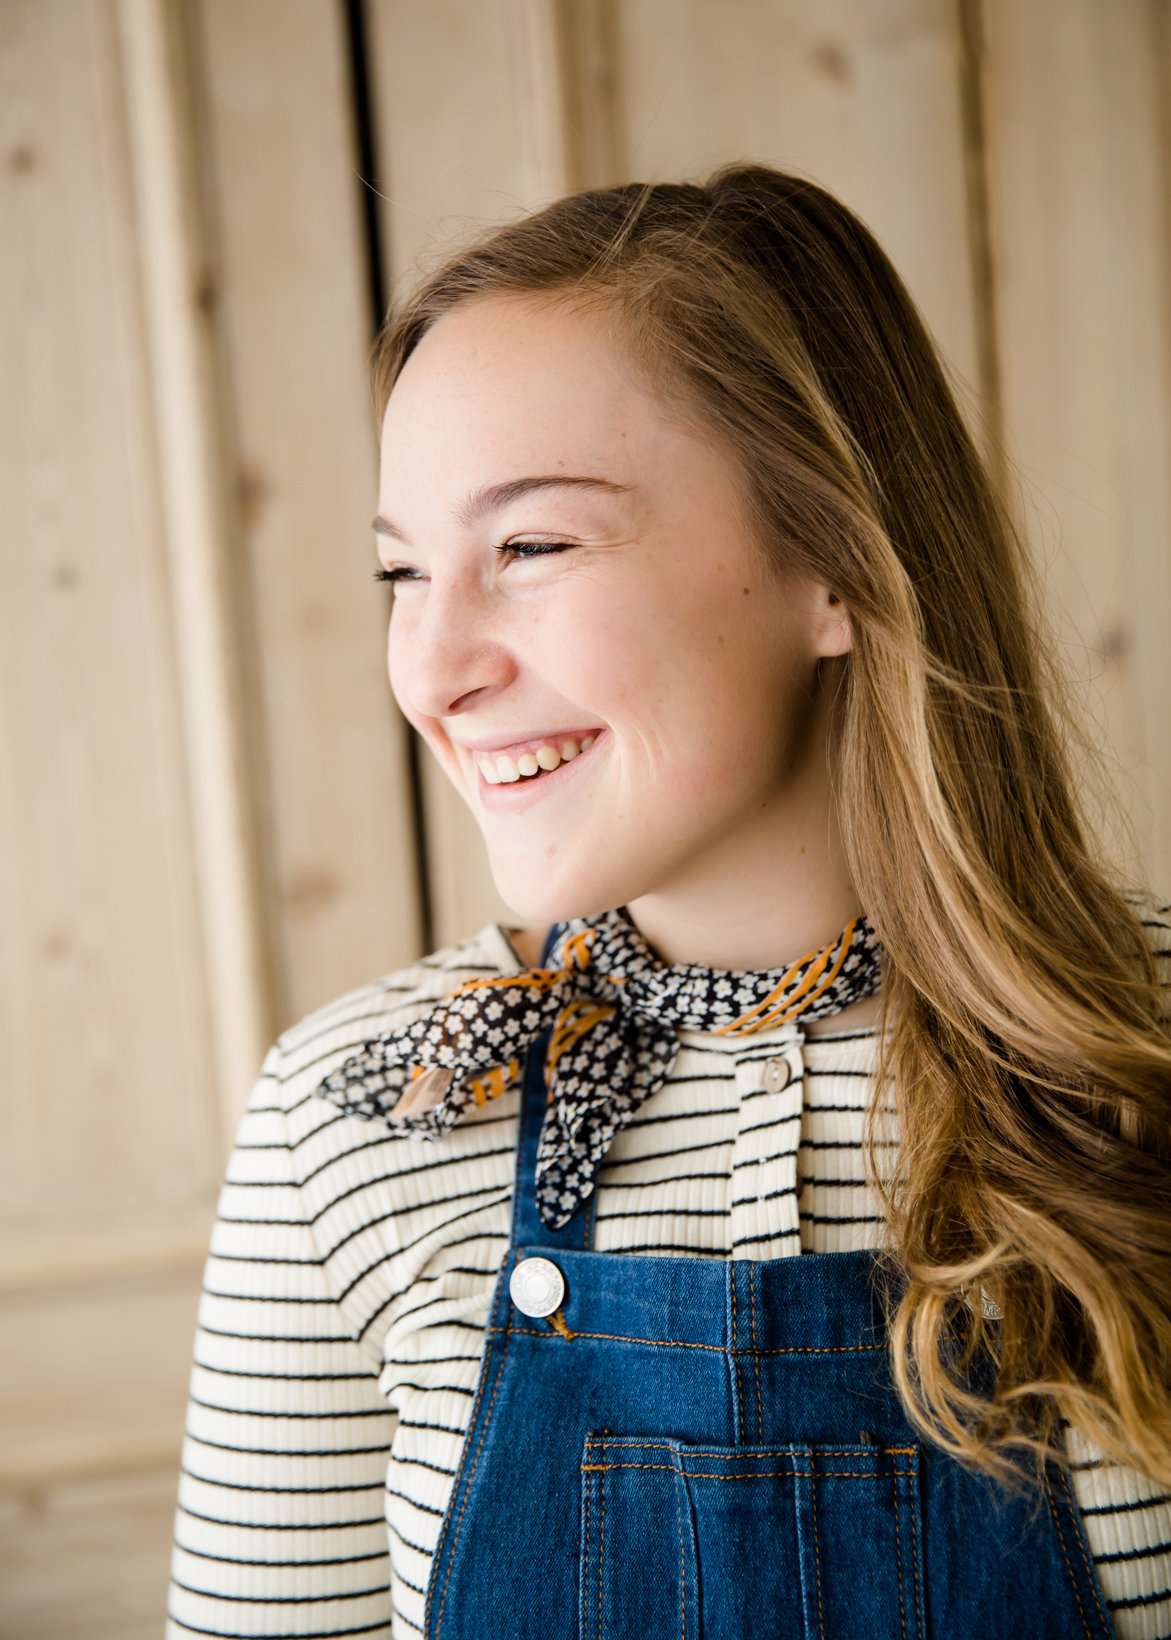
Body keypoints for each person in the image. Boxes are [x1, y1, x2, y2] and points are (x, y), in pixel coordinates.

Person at [165, 165, 1171, 1639]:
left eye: (531, 546)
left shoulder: (1144, 1044)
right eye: (400, 570)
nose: (431, 670)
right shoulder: (356, 1119)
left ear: (833, 555)